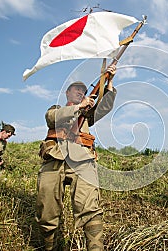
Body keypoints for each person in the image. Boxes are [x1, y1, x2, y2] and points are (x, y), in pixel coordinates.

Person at [35, 65, 117, 251]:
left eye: (83, 91)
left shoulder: (88, 115)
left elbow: (104, 106)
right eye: (76, 89)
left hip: (82, 161)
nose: (80, 92)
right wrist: (79, 107)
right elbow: (51, 118)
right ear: (67, 93)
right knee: (46, 213)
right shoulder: (57, 109)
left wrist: (109, 81)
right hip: (54, 158)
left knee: (89, 208)